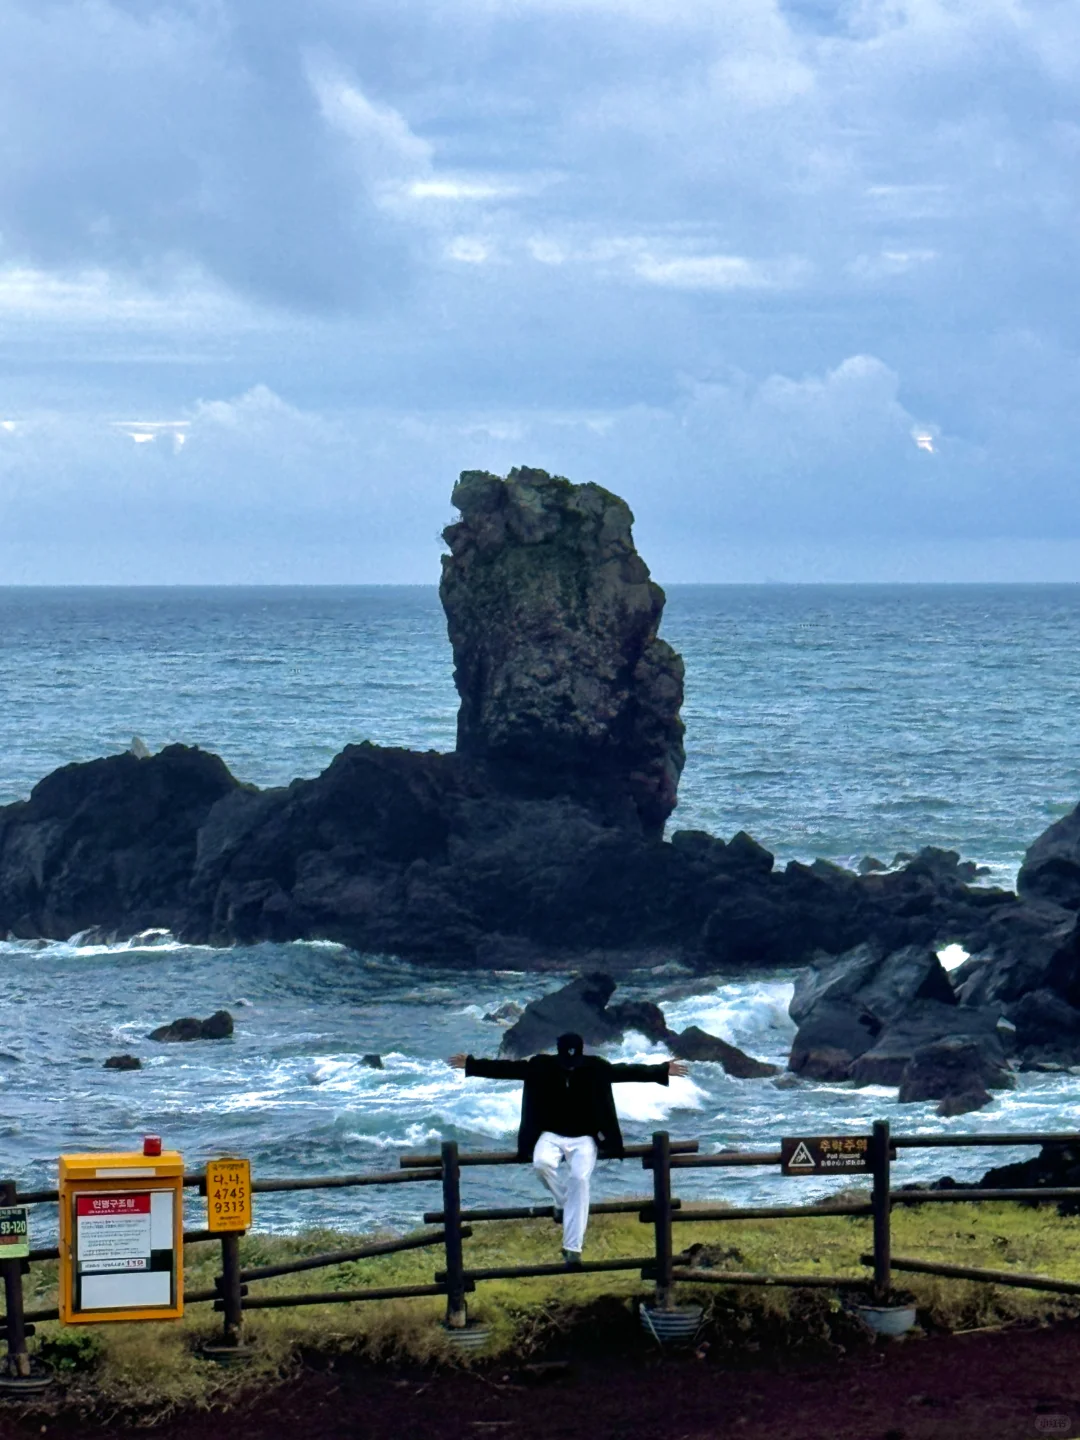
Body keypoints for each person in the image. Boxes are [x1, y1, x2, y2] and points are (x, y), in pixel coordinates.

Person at [448, 1033, 688, 1264]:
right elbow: (505, 1069)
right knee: (541, 1164)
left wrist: (661, 1069)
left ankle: (572, 1248)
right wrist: (470, 1064)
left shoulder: (597, 1067)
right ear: (559, 1054)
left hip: (585, 1138)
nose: (570, 1066)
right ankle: (566, 1203)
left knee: (580, 1179)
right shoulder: (541, 1065)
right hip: (551, 1135)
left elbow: (627, 1071)